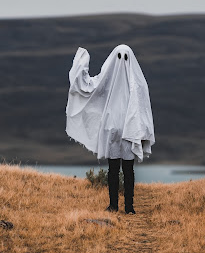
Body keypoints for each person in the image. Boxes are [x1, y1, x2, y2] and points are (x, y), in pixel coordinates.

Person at [65, 44, 155, 215]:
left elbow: (143, 108)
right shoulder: (110, 80)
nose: (122, 61)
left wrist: (141, 133)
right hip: (114, 130)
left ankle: (128, 206)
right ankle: (115, 205)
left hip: (128, 132)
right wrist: (81, 66)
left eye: (125, 57)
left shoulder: (137, 84)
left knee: (126, 170)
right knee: (116, 169)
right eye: (119, 57)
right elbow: (88, 87)